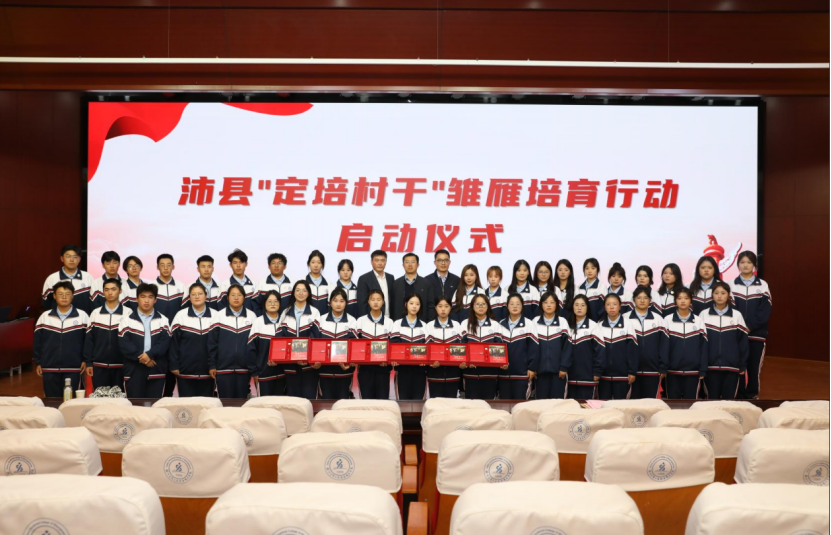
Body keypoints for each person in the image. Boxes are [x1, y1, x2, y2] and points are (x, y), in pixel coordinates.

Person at [34, 280, 90, 397]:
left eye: (67, 294)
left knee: (72, 402)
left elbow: (88, 341)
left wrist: (86, 360)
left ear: (73, 296)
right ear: (54, 296)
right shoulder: (45, 317)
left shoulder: (83, 316)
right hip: (49, 367)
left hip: (74, 368)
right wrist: (38, 362)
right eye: (60, 294)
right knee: (51, 401)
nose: (64, 297)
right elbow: (37, 342)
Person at [730, 251, 772, 400]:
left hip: (756, 335)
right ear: (738, 265)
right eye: (742, 262)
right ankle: (738, 395)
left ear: (754, 265)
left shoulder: (763, 285)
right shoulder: (731, 285)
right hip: (736, 335)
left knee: (753, 368)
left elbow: (765, 311)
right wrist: (741, 328)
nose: (745, 265)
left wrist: (750, 327)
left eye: (749, 262)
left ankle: (752, 395)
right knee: (737, 367)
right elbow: (730, 309)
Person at [117, 283, 171, 398]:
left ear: (155, 300)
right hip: (134, 370)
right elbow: (124, 344)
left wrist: (150, 354)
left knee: (155, 405)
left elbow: (165, 342)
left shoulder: (163, 320)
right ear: (137, 299)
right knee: (134, 405)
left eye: (150, 297)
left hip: (156, 368)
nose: (146, 300)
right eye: (143, 296)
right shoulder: (126, 320)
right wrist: (143, 358)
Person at [700, 282, 749, 400]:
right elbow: (699, 343)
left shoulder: (737, 315)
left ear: (728, 295)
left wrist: (742, 364)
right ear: (712, 295)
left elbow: (743, 342)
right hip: (710, 367)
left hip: (732, 367)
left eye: (723, 293)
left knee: (729, 401)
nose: (719, 296)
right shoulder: (704, 315)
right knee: (712, 401)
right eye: (716, 293)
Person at [208, 284, 258, 398]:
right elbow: (212, 343)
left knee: (242, 403)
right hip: (223, 368)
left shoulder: (252, 316)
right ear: (227, 298)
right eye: (233, 295)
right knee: (225, 403)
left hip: (244, 369)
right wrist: (212, 365)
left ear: (244, 297)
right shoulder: (219, 316)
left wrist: (254, 367)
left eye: (239, 295)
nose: (236, 298)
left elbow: (255, 345)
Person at [169, 283, 217, 397]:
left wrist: (214, 365)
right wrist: (174, 364)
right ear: (189, 297)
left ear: (206, 296)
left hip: (209, 372)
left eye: (200, 294)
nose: (197, 296)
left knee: (207, 404)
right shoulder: (180, 315)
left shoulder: (215, 315)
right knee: (186, 405)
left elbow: (218, 343)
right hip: (185, 371)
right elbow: (173, 343)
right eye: (193, 294)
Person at [83, 278, 129, 390]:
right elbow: (89, 340)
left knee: (119, 398)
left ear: (120, 291)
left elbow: (132, 341)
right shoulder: (95, 313)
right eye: (106, 290)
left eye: (113, 289)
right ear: (103, 292)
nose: (110, 292)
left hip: (121, 366)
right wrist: (89, 362)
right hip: (99, 366)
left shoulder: (128, 313)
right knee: (100, 397)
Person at [279, 280, 322, 399]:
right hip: (290, 365)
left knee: (309, 400)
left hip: (309, 366)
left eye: (304, 290)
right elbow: (280, 338)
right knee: (293, 402)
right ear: (293, 293)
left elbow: (316, 337)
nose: (301, 293)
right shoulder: (286, 312)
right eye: (297, 290)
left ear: (308, 293)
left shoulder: (314, 312)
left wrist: (305, 356)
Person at [664, 287, 708, 399]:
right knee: (672, 405)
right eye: (679, 298)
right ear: (675, 301)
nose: (683, 301)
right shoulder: (667, 320)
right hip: (672, 371)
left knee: (692, 405)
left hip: (693, 371)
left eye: (686, 298)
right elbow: (663, 347)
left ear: (691, 300)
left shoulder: (698, 321)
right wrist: (664, 368)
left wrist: (702, 369)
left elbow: (704, 347)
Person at [460, 294, 506, 400]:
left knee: (488, 405)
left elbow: (499, 347)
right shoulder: (465, 324)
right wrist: (465, 362)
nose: (480, 306)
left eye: (483, 304)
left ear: (488, 306)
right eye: (477, 304)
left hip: (490, 374)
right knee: (472, 405)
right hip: (470, 374)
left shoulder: (495, 325)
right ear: (472, 306)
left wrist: (501, 362)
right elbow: (462, 346)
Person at [627, 285, 668, 399]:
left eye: (645, 298)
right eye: (639, 298)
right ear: (634, 299)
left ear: (650, 300)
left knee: (651, 404)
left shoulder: (658, 319)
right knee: (632, 405)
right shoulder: (625, 319)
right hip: (631, 373)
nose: (642, 300)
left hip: (653, 371)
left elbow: (664, 345)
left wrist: (663, 367)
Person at [595, 294, 638, 400]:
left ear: (620, 306)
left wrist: (632, 371)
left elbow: (632, 351)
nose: (611, 307)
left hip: (623, 376)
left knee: (621, 405)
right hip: (603, 376)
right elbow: (596, 352)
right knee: (603, 405)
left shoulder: (628, 324)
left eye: (614, 304)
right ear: (604, 307)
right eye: (608, 304)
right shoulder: (599, 325)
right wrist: (597, 371)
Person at [317, 288, 357, 400]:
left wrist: (348, 363)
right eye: (335, 300)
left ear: (346, 303)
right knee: (326, 404)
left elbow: (353, 346)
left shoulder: (352, 321)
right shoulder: (321, 320)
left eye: (342, 301)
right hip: (324, 372)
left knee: (343, 405)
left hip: (344, 373)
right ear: (330, 302)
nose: (338, 304)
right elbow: (316, 345)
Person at [355, 289, 395, 400]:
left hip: (383, 370)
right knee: (366, 403)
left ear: (383, 301)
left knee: (382, 403)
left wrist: (387, 360)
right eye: (373, 299)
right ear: (368, 301)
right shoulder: (360, 321)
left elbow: (392, 346)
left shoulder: (389, 322)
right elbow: (356, 346)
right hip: (365, 370)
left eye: (379, 299)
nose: (376, 302)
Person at [499, 293, 539, 400]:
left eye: (518, 304)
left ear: (522, 306)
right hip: (503, 375)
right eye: (512, 304)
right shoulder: (500, 324)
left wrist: (532, 368)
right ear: (507, 306)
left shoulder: (529, 324)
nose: (515, 306)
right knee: (504, 406)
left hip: (522, 375)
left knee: (520, 406)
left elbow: (534, 348)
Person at [154, 253, 184, 397]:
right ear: (157, 267)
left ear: (173, 267)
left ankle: (169, 398)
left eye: (168, 265)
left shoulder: (181, 286)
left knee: (174, 368)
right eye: (162, 265)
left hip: (177, 336)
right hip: (157, 335)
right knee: (159, 368)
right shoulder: (151, 287)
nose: (165, 268)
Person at [532, 292, 572, 399]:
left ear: (557, 305)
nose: (549, 305)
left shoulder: (562, 322)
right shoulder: (535, 322)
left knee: (558, 403)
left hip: (559, 372)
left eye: (552, 302)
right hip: (540, 372)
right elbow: (532, 348)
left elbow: (567, 347)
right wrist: (533, 367)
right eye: (545, 302)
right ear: (541, 305)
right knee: (541, 403)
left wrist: (564, 367)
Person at [247, 290, 286, 397]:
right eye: (269, 301)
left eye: (276, 301)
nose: (273, 304)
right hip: (263, 375)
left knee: (281, 404)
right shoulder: (258, 322)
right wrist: (254, 371)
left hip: (283, 375)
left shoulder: (285, 322)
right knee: (264, 405)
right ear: (264, 304)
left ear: (280, 304)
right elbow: (251, 349)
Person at [425, 296, 466, 398]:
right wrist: (431, 362)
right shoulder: (429, 326)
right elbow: (427, 349)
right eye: (440, 306)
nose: (443, 309)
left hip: (453, 374)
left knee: (451, 404)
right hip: (434, 374)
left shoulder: (457, 326)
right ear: (435, 308)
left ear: (450, 308)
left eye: (446, 306)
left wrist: (462, 361)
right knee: (435, 403)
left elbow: (462, 348)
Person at [390, 294, 429, 400]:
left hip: (420, 370)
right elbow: (394, 344)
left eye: (417, 304)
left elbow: (427, 347)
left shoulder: (425, 326)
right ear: (406, 304)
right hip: (402, 370)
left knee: (419, 402)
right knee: (402, 402)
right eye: (411, 303)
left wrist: (425, 360)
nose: (414, 306)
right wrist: (395, 359)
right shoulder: (397, 324)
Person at [566, 295, 604, 400]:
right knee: (569, 406)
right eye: (576, 305)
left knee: (587, 407)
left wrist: (597, 371)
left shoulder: (593, 326)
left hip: (588, 377)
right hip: (568, 378)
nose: (579, 308)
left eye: (583, 305)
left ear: (587, 308)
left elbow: (600, 351)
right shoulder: (566, 325)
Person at [42, 244, 94, 314]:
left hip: (83, 318)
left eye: (75, 257)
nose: (72, 260)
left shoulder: (88, 277)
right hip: (58, 319)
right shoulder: (52, 278)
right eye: (68, 256)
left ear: (79, 259)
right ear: (62, 258)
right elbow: (46, 302)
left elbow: (93, 301)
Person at [391, 253, 437, 323]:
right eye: (407, 262)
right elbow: (392, 306)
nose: (410, 265)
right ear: (403, 265)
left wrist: (429, 323)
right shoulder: (396, 283)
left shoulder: (426, 284)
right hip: (399, 323)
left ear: (418, 265)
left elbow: (430, 306)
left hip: (421, 323)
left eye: (413, 262)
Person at [356, 250, 395, 318]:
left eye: (382, 260)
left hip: (389, 317)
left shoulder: (390, 277)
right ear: (371, 262)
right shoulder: (364, 279)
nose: (380, 263)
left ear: (386, 262)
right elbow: (362, 304)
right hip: (372, 318)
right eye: (377, 260)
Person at [219, 249, 258, 314]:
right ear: (230, 265)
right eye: (235, 263)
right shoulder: (225, 285)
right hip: (230, 319)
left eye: (241, 262)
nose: (238, 265)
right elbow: (221, 308)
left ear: (246, 264)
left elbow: (257, 308)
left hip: (250, 319)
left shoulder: (254, 285)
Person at [304, 249, 331, 316]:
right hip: (307, 319)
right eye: (313, 262)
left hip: (324, 320)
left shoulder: (329, 284)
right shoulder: (303, 283)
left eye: (319, 262)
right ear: (309, 263)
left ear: (322, 265)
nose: (316, 265)